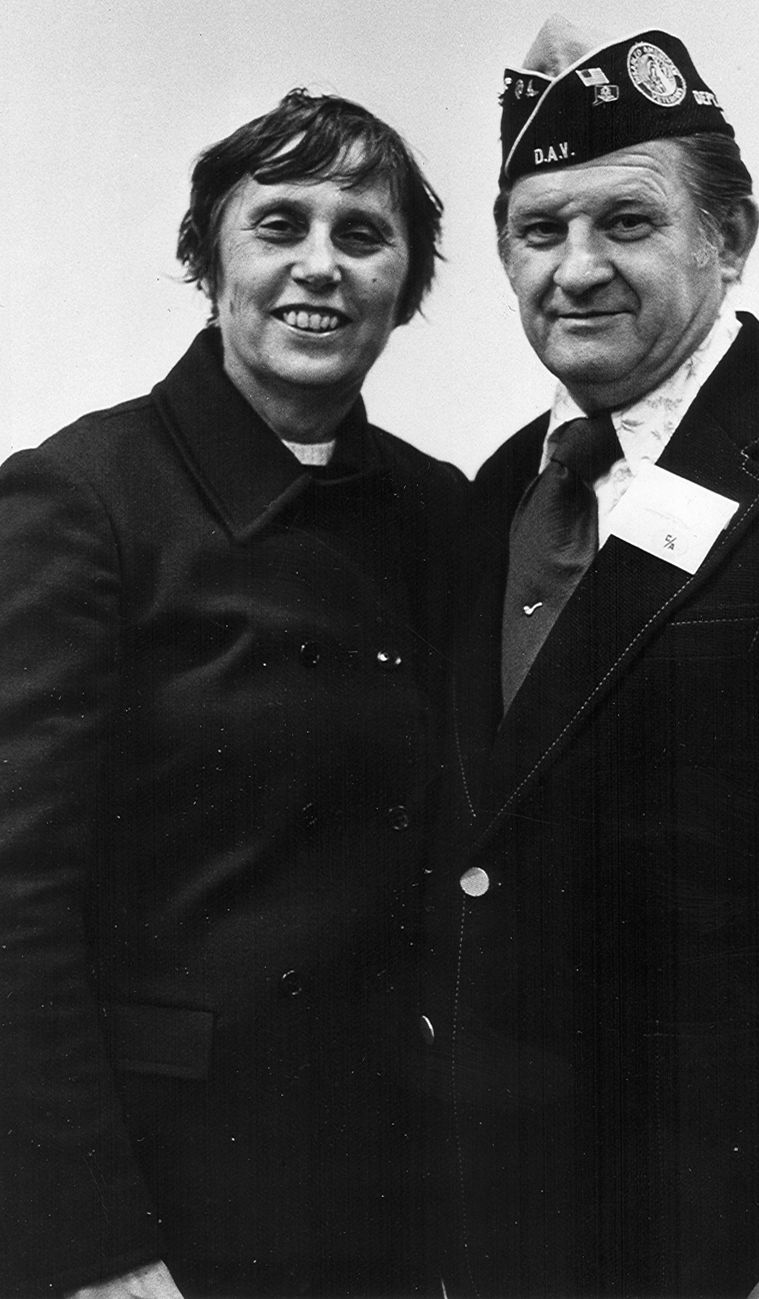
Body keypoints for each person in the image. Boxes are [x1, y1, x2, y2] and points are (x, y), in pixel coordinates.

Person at [418, 17, 759, 1299]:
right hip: (508, 1226)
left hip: (733, 1246)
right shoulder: (497, 496)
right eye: (537, 230)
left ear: (729, 239)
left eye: (625, 223)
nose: (574, 270)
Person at [0, 89, 465, 1299]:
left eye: (363, 234)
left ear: (407, 282)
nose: (322, 265)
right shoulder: (80, 499)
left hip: (390, 1200)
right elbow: (11, 904)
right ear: (209, 259)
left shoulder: (443, 511)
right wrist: (92, 1248)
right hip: (163, 1210)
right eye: (280, 225)